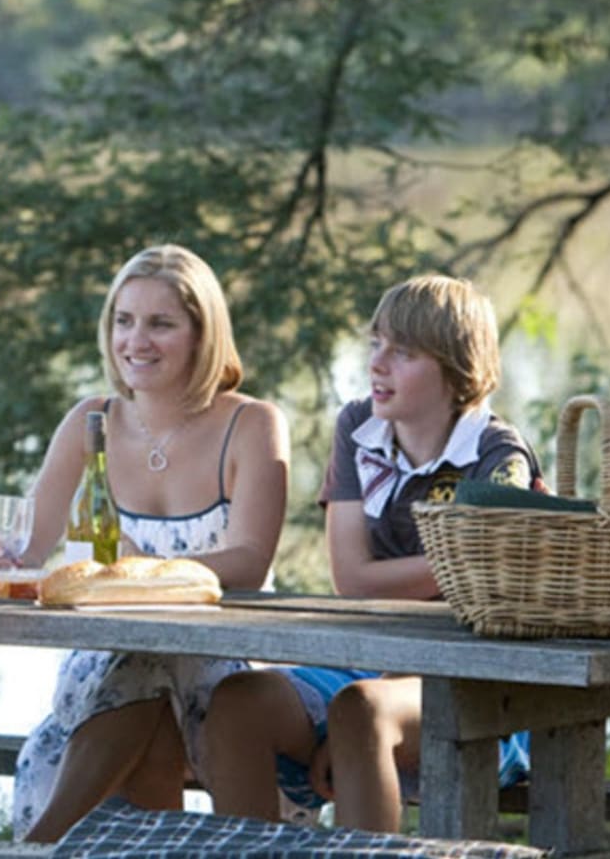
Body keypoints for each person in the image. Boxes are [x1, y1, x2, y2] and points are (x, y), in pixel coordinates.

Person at [204, 273, 542, 831]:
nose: (377, 364)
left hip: (484, 683)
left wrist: (459, 568)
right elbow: (352, 578)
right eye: (376, 343)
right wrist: (453, 561)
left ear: (457, 370)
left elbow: (483, 584)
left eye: (403, 352)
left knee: (361, 712)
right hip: (370, 662)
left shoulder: (497, 454)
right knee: (239, 701)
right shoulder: (359, 426)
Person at [11, 244, 290, 843]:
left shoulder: (252, 424)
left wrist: (137, 572)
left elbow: (248, 562)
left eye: (160, 323)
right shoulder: (90, 421)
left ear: (202, 335)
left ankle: (39, 848)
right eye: (124, 320)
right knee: (134, 672)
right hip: (111, 659)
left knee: (143, 676)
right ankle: (49, 846)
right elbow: (28, 550)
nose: (136, 341)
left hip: (221, 665)